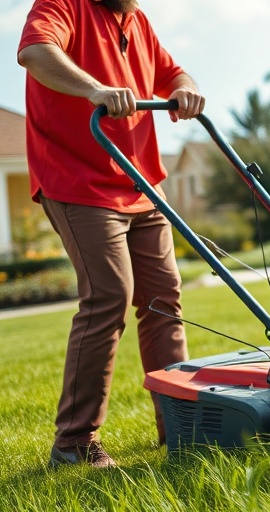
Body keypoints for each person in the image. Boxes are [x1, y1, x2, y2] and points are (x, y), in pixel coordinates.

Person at [17, 0, 205, 469]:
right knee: (108, 296)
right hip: (76, 180)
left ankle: (179, 427)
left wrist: (185, 90)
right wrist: (95, 89)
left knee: (164, 300)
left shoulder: (137, 19)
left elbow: (175, 73)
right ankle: (74, 442)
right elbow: (36, 53)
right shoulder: (61, 5)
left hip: (141, 185)